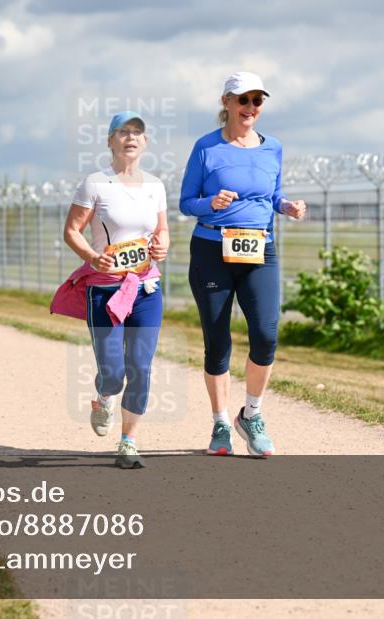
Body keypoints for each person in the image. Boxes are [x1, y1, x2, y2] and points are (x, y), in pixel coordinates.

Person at [179, 72, 306, 458]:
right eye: (243, 100)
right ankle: (220, 423)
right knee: (217, 341)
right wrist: (211, 203)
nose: (250, 107)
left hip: (259, 251)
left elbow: (273, 194)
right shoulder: (206, 147)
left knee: (266, 334)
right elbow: (186, 202)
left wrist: (287, 206)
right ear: (227, 103)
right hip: (212, 250)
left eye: (257, 100)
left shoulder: (273, 148)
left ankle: (251, 415)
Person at [52, 111, 170, 469]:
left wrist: (163, 245)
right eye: (123, 132)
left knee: (141, 367)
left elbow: (162, 230)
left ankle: (128, 442)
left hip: (145, 288)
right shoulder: (95, 183)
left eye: (137, 132)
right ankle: (105, 395)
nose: (130, 137)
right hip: (105, 291)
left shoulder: (155, 186)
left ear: (145, 142)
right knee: (114, 371)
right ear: (110, 140)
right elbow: (71, 230)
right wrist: (93, 257)